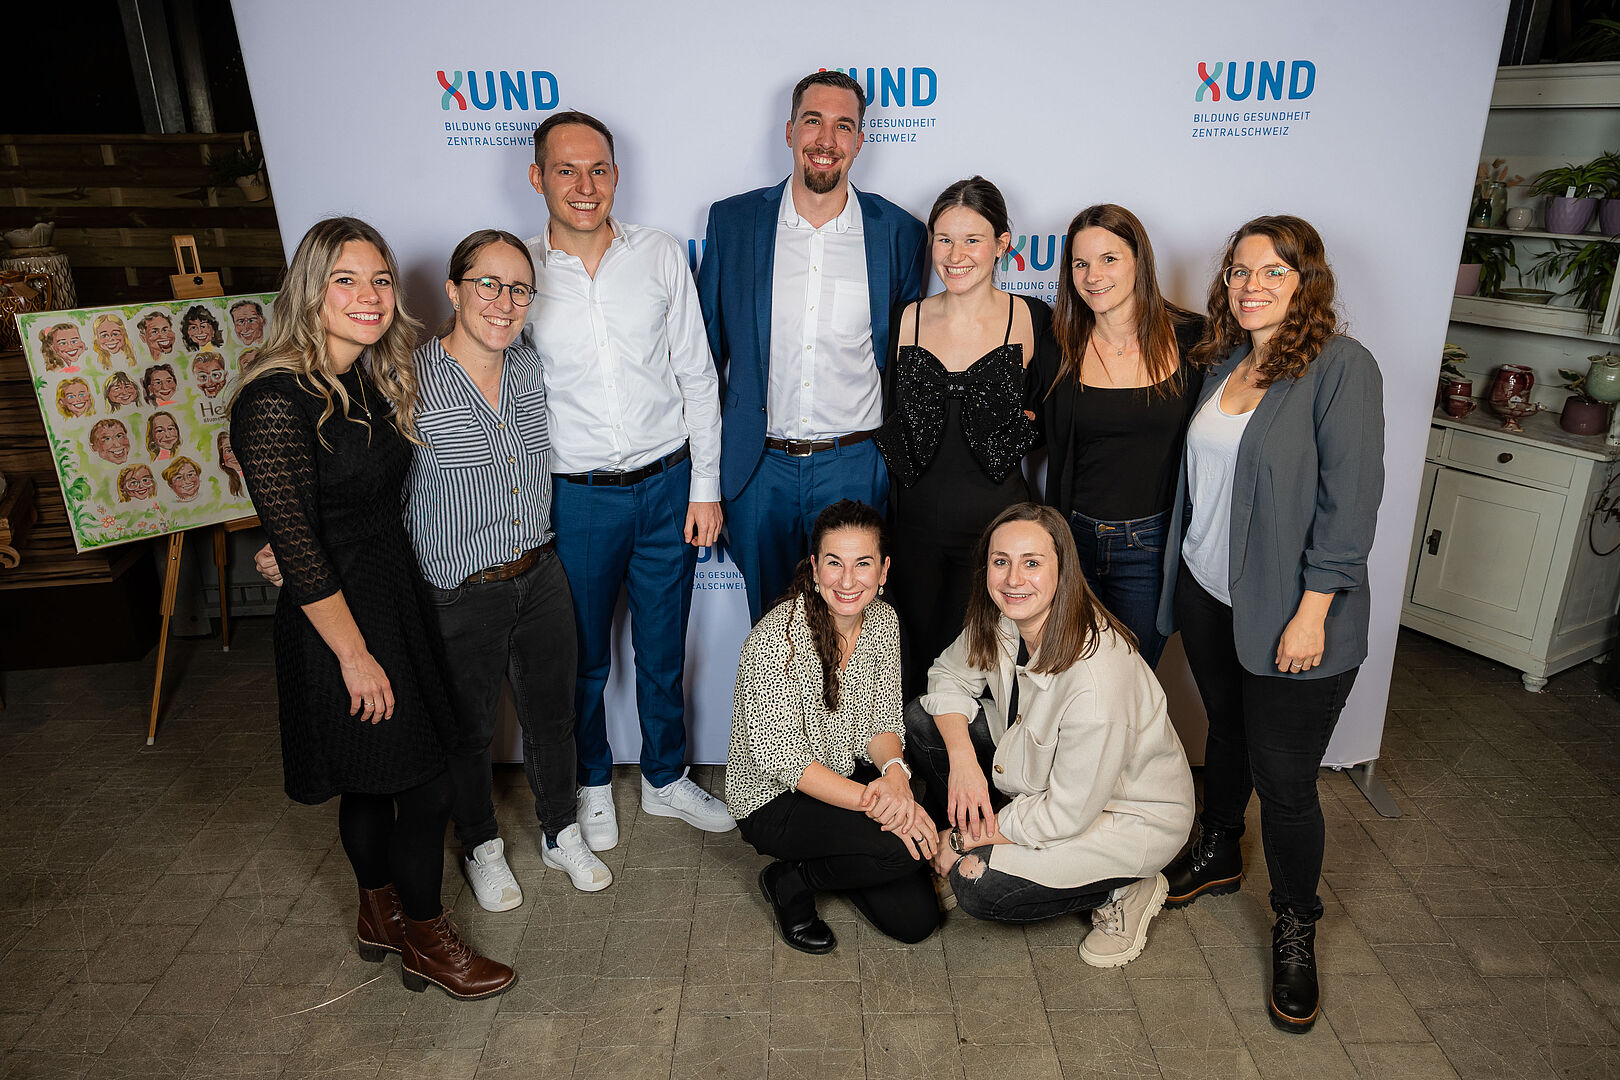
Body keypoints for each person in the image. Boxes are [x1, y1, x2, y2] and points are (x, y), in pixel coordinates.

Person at [254, 229, 616, 906]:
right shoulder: (400, 380)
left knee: (553, 719)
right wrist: (294, 541)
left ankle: (560, 829)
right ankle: (480, 843)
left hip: (540, 574)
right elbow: (361, 481)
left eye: (519, 289)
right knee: (466, 731)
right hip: (454, 592)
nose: (504, 302)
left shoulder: (534, 367)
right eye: (487, 284)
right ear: (453, 290)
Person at [229, 215, 513, 1000]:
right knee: (423, 783)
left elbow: (328, 513)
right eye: (345, 280)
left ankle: (379, 913)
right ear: (309, 291)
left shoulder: (370, 376)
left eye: (381, 280)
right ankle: (426, 937)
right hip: (338, 621)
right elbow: (300, 544)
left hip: (393, 594)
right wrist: (353, 656)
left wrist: (291, 542)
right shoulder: (274, 399)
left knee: (374, 779)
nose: (369, 295)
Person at [1156, 215, 1384, 1034]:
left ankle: (1295, 923)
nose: (1251, 286)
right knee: (1226, 730)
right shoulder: (1223, 362)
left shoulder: (1342, 369)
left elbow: (1350, 507)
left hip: (1294, 615)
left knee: (1285, 784)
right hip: (1209, 593)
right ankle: (1220, 848)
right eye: (1239, 272)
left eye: (1273, 273)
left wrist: (1312, 612)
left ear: (1306, 282)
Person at [523, 110, 733, 849]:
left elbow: (697, 374)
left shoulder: (660, 253)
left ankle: (666, 777)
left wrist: (705, 487)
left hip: (668, 486)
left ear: (616, 175)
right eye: (567, 170)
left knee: (663, 648)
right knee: (582, 657)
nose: (585, 186)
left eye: (598, 170)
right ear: (538, 177)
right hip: (575, 496)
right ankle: (590, 781)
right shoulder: (517, 271)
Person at [907, 503, 1193, 967]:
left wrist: (961, 839)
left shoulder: (1098, 679)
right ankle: (982, 833)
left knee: (976, 884)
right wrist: (963, 763)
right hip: (1044, 775)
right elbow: (947, 677)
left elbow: (1066, 813)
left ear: (1063, 570)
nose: (1013, 579)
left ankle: (1126, 887)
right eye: (1001, 561)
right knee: (925, 719)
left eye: (1032, 563)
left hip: (1123, 815)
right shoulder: (1006, 616)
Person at [699, 70, 930, 621]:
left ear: (860, 141)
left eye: (843, 126)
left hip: (855, 464)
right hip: (759, 467)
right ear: (789, 131)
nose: (826, 140)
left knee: (855, 630)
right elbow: (704, 356)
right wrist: (706, 477)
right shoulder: (734, 222)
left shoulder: (899, 232)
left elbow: (905, 359)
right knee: (771, 634)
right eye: (813, 121)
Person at [727, 499, 940, 952]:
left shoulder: (883, 620)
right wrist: (879, 804)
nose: (847, 580)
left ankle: (831, 861)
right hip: (775, 800)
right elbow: (785, 762)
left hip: (847, 773)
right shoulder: (774, 638)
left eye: (862, 564)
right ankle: (790, 882)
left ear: (883, 571)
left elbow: (883, 719)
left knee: (916, 921)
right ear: (815, 567)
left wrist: (896, 778)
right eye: (834, 563)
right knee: (901, 848)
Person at [874, 177, 1047, 697]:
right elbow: (888, 415)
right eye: (944, 239)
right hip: (914, 533)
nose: (955, 255)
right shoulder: (907, 318)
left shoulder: (1032, 318)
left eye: (972, 240)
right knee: (913, 673)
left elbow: (1056, 419)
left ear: (1002, 244)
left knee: (986, 677)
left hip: (996, 536)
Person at [1027, 204, 1204, 670]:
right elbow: (1026, 430)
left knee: (1132, 681)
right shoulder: (1056, 344)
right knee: (1073, 678)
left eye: (1109, 259)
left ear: (1139, 261)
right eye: (1080, 263)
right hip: (1072, 540)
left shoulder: (1194, 340)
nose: (1093, 276)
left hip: (1151, 548)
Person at [217, 431, 244, 497]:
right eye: (229, 451)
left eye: (240, 448)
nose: (235, 455)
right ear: (222, 456)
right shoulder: (223, 483)